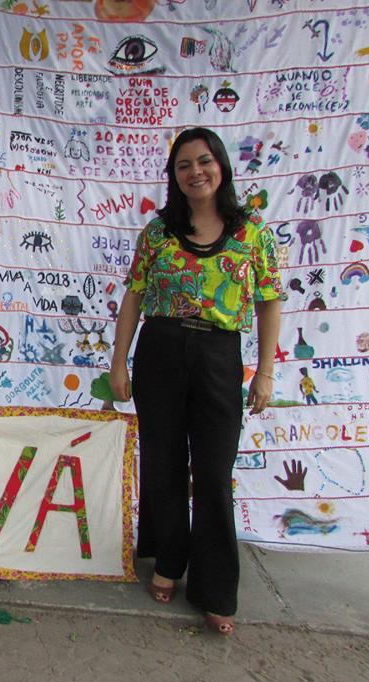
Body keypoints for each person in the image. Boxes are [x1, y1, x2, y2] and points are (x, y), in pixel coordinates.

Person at [109, 127, 282, 636]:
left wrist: (265, 371)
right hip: (160, 352)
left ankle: (215, 588)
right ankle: (169, 559)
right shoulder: (157, 233)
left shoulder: (252, 233)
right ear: (174, 176)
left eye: (204, 161)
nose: (195, 172)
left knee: (212, 473)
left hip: (218, 357)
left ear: (221, 165)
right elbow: (134, 297)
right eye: (183, 165)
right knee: (163, 464)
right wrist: (119, 362)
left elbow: (269, 300)